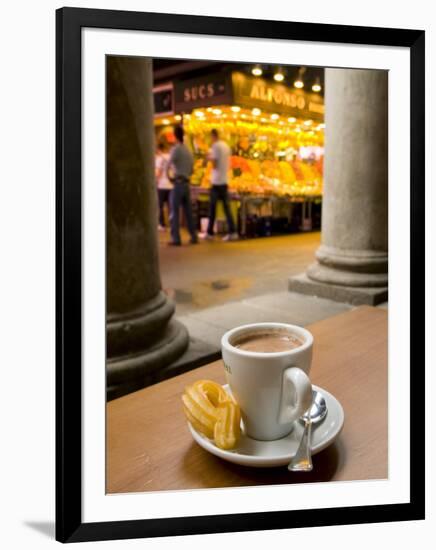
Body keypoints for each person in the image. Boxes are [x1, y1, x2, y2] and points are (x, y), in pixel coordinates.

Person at [202, 129, 238, 242]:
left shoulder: (215, 147)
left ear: (213, 136)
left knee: (212, 208)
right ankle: (232, 232)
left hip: (216, 181)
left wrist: (208, 158)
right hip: (224, 180)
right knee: (226, 208)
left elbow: (215, 164)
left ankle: (209, 233)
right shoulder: (226, 146)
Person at [166, 125, 198, 246]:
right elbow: (192, 169)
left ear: (175, 135)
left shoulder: (176, 149)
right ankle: (193, 236)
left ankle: (176, 239)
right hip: (187, 184)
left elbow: (168, 165)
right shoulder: (188, 151)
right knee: (188, 212)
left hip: (178, 183)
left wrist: (169, 177)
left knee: (174, 211)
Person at [155, 142, 172, 230]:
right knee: (170, 206)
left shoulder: (159, 158)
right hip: (171, 185)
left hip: (162, 185)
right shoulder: (170, 157)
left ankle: (162, 224)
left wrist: (155, 181)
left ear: (158, 149)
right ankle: (171, 224)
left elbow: (158, 172)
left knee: (160, 206)